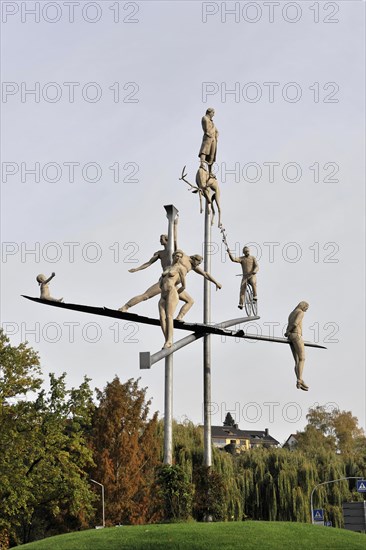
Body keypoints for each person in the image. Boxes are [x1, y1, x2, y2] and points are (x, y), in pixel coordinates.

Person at [158, 250, 186, 348]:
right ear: (173, 256)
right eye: (177, 256)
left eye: (180, 257)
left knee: (169, 317)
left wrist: (175, 294)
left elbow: (183, 286)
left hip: (171, 292)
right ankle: (167, 339)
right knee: (162, 318)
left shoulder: (180, 268)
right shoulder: (167, 267)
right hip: (163, 294)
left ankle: (169, 340)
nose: (178, 258)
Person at [285, 302, 309, 391]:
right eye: (306, 308)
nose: (306, 310)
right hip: (296, 335)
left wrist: (288, 332)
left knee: (297, 361)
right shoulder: (300, 312)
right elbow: (295, 323)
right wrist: (289, 331)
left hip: (290, 336)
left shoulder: (292, 313)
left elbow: (290, 323)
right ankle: (299, 379)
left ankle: (299, 379)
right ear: (303, 306)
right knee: (302, 358)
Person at [199, 108, 218, 173]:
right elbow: (206, 129)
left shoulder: (212, 122)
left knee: (212, 155)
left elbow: (216, 130)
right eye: (213, 113)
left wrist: (216, 135)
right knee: (204, 151)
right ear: (209, 112)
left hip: (213, 139)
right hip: (208, 137)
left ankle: (210, 171)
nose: (213, 114)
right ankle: (202, 164)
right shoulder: (205, 118)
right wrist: (208, 134)